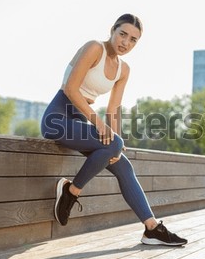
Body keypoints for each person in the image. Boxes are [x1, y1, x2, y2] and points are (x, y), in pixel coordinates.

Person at [41, 13, 187, 246]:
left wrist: (115, 141)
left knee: (123, 164)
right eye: (123, 34)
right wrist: (101, 126)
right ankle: (72, 191)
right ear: (112, 30)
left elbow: (114, 108)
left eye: (133, 40)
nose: (125, 43)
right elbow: (70, 89)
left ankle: (151, 228)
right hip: (57, 119)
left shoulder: (123, 69)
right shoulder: (94, 48)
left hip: (81, 121)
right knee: (114, 145)